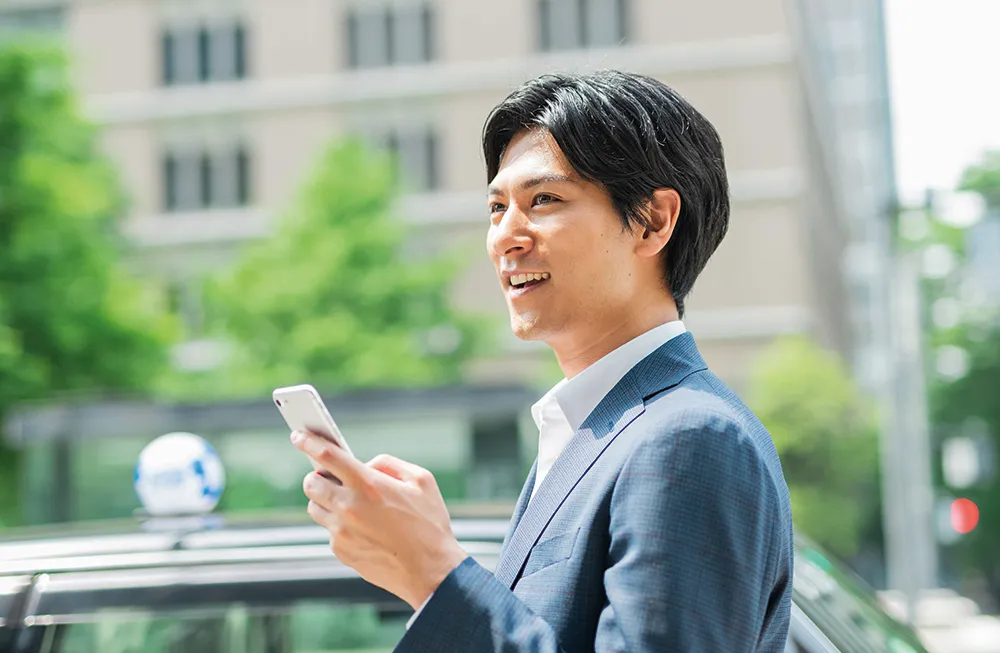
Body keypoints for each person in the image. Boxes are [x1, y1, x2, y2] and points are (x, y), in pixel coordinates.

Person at [290, 70, 794, 652]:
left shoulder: (688, 437)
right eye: (496, 206)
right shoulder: (590, 430)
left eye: (544, 200)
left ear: (653, 221)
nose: (506, 235)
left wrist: (437, 575)